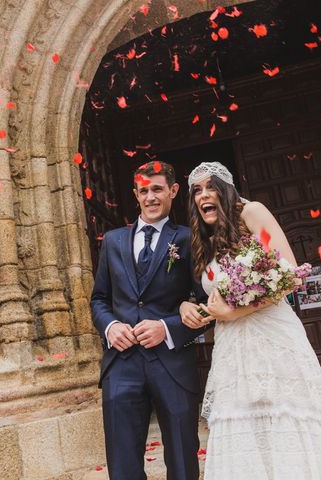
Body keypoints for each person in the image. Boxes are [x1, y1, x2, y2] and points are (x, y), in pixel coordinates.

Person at [180, 162, 321, 479]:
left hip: (272, 335)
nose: (203, 195)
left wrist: (233, 312)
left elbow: (289, 275)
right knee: (245, 422)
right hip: (232, 347)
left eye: (210, 187)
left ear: (226, 190)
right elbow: (218, 296)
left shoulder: (252, 212)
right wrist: (196, 307)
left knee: (285, 414)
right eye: (196, 190)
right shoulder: (208, 241)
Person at [91, 161, 210, 480]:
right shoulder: (114, 241)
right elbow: (99, 299)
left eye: (157, 189)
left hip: (172, 362)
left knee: (183, 457)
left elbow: (209, 303)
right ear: (135, 194)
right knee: (123, 460)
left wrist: (167, 328)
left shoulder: (188, 239)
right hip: (121, 364)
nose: (150, 197)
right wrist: (111, 326)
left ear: (172, 191)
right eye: (143, 190)